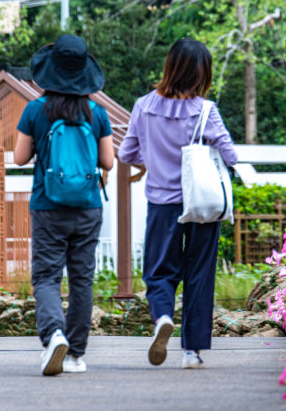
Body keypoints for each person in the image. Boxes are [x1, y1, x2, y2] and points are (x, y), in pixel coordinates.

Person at [118, 37, 238, 369]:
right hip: (202, 203)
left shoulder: (144, 105)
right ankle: (191, 351)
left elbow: (125, 153)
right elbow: (231, 155)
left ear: (170, 67)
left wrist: (152, 160)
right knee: (199, 273)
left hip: (161, 204)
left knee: (159, 272)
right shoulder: (206, 111)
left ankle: (162, 318)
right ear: (202, 74)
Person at [14, 34, 114, 376]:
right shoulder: (97, 112)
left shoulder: (35, 110)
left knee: (46, 277)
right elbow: (108, 162)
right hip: (87, 207)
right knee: (82, 279)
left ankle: (54, 334)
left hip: (47, 205)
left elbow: (20, 157)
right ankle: (75, 355)